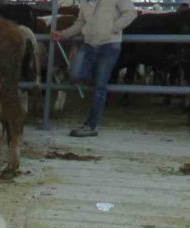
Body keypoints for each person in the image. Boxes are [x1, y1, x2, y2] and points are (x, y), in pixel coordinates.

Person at [53, 0, 137, 137]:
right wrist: (63, 34)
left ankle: (90, 125)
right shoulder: (85, 2)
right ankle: (95, 77)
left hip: (109, 45)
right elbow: (80, 22)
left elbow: (131, 13)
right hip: (90, 44)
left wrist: (114, 27)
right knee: (74, 74)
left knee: (100, 87)